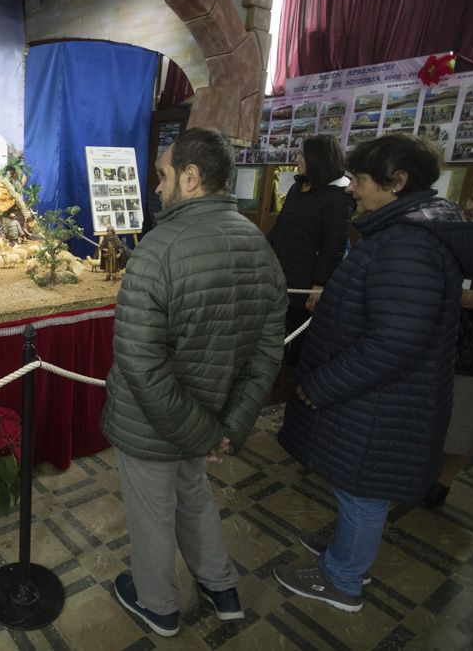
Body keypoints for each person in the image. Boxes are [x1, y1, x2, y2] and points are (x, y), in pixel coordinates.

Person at [274, 135, 473, 613]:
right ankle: (346, 546)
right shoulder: (400, 232)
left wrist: (321, 383)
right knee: (356, 486)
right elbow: (391, 313)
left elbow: (395, 342)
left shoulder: (408, 244)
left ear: (397, 183)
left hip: (383, 402)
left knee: (363, 489)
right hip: (377, 398)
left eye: (361, 180)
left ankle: (342, 579)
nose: (351, 189)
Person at [103, 128, 287, 637]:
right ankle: (221, 586)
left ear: (191, 177)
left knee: (152, 514)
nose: (155, 187)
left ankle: (158, 605)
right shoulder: (259, 244)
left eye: (162, 175)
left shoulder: (159, 249)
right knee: (195, 496)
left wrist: (208, 432)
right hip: (209, 419)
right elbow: (267, 353)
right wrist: (227, 426)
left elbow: (139, 363)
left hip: (155, 425)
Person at [423, 170, 473, 507]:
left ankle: (441, 483)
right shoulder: (472, 238)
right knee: (437, 420)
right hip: (450, 343)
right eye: (471, 198)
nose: (472, 205)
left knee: (467, 427)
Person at [268, 135, 353, 362]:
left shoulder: (337, 197)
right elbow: (280, 226)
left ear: (318, 158)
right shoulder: (299, 187)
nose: (297, 158)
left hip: (305, 281)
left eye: (302, 154)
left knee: (297, 339)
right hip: (281, 272)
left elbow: (333, 245)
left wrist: (319, 284)